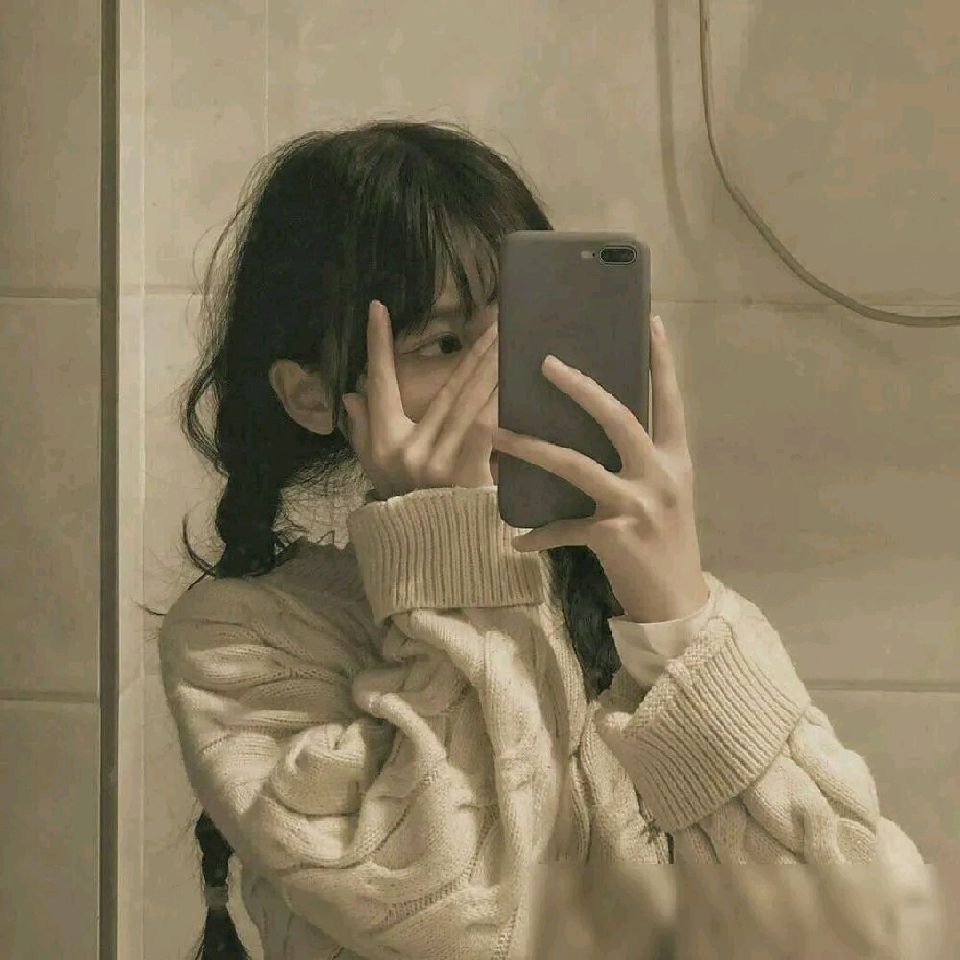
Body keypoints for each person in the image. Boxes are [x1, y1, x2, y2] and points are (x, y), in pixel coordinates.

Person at [155, 119, 941, 960]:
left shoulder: (627, 613)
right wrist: (448, 558)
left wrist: (680, 621)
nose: (503, 380)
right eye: (447, 344)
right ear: (312, 396)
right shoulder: (239, 643)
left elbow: (865, 935)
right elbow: (465, 924)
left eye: (522, 332)